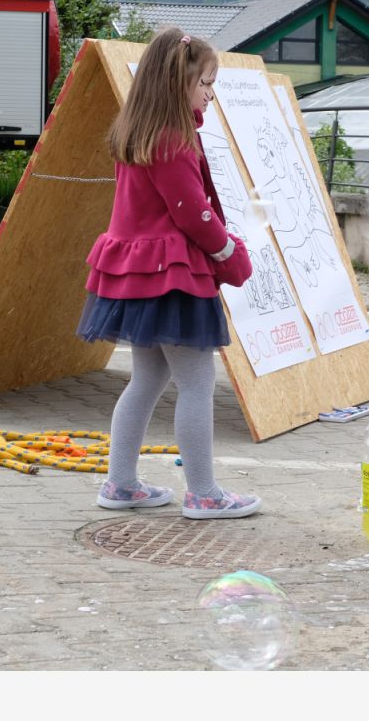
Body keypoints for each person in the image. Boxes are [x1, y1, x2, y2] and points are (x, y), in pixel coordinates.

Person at [76, 27, 260, 520]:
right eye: (206, 83)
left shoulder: (137, 133)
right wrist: (229, 252)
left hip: (137, 275)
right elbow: (192, 214)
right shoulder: (173, 141)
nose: (211, 93)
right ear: (180, 82)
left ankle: (120, 483)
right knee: (197, 382)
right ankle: (203, 493)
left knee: (148, 378)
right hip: (171, 278)